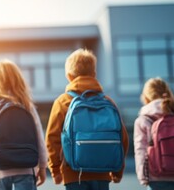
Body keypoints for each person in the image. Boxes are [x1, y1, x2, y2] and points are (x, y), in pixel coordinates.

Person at [45, 48, 129, 190]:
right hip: (102, 174)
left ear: (69, 76)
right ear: (94, 74)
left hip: (73, 173)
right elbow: (122, 139)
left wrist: (55, 171)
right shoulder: (108, 102)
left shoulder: (63, 102)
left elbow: (52, 139)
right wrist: (117, 170)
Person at [0, 59, 47, 190]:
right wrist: (42, 165)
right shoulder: (26, 104)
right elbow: (38, 135)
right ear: (18, 79)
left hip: (0, 168)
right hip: (26, 166)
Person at [134, 77, 174, 190]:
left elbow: (141, 150)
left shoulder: (143, 120)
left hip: (156, 177)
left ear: (146, 97)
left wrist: (143, 177)